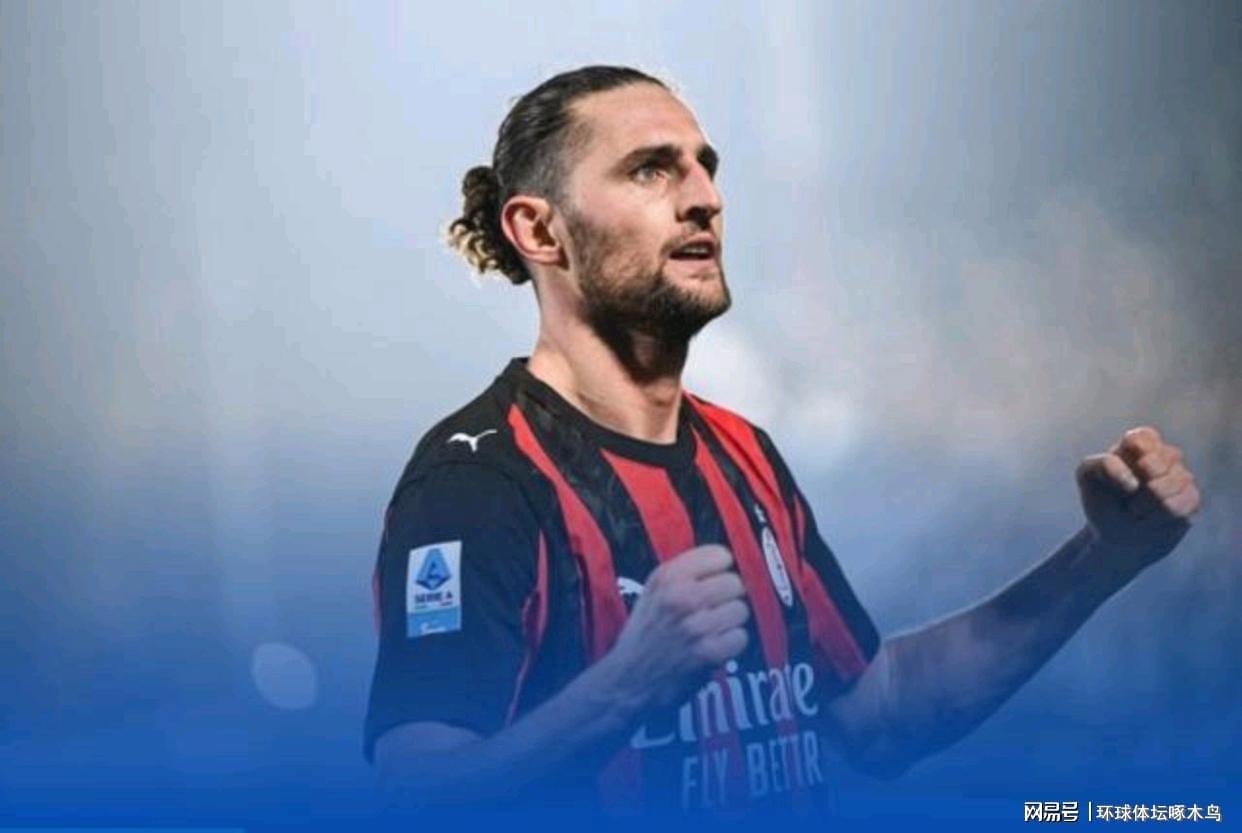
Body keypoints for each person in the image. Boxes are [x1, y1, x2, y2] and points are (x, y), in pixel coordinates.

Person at [363, 65, 1201, 817]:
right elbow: (416, 797)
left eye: (705, 166)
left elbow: (880, 710)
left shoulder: (743, 454)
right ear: (540, 231)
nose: (704, 197)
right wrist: (626, 686)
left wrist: (1105, 556)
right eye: (651, 169)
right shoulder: (480, 481)